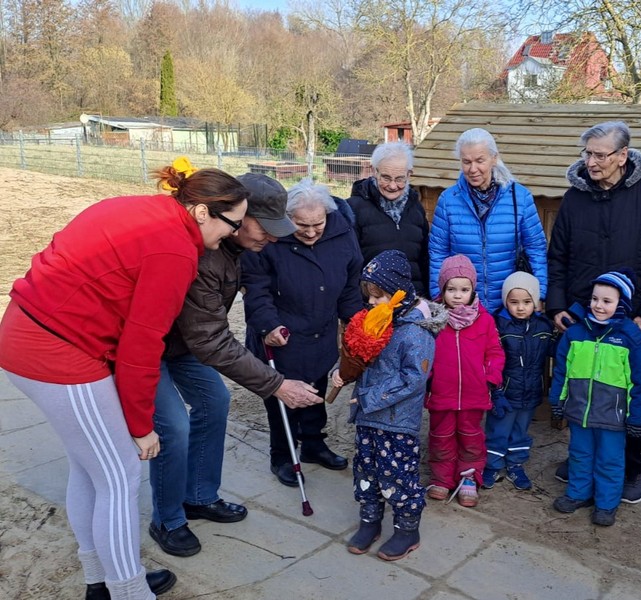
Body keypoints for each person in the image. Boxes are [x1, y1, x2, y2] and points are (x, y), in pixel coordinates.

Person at [0, 158, 249, 599]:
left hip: (27, 332)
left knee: (89, 467)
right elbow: (142, 344)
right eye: (232, 224)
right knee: (118, 477)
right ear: (202, 212)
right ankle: (130, 591)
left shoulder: (141, 208)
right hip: (59, 352)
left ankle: (103, 579)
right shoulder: (174, 249)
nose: (233, 234)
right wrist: (141, 426)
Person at [148, 173, 322, 558]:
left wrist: (271, 324)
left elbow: (247, 298)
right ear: (238, 216)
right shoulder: (203, 252)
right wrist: (277, 384)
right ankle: (167, 518)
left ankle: (199, 496)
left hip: (183, 342)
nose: (273, 238)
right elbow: (211, 339)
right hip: (148, 348)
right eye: (266, 227)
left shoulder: (236, 247)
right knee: (173, 424)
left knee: (215, 401)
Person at [546, 120, 641, 503]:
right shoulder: (574, 199)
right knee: (583, 390)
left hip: (632, 320)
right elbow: (557, 258)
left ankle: (630, 469)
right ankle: (583, 464)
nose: (591, 161)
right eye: (587, 153)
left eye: (600, 155)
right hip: (585, 318)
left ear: (623, 156)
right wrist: (556, 305)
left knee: (624, 394)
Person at [241, 177, 363, 486]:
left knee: (316, 391)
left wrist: (356, 323)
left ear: (327, 215)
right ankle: (282, 456)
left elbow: (350, 284)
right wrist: (268, 325)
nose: (310, 232)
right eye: (301, 225)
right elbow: (256, 288)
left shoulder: (342, 232)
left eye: (317, 224)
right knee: (284, 398)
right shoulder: (269, 239)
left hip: (321, 331)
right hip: (283, 333)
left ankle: (312, 444)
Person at [332, 249, 446, 561]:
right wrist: (340, 372)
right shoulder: (376, 320)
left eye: (377, 295)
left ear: (397, 293)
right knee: (367, 469)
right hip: (369, 418)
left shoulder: (415, 331)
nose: (370, 302)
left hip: (396, 421)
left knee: (398, 475)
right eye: (368, 294)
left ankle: (407, 529)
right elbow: (357, 352)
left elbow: (414, 379)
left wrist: (369, 397)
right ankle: (370, 521)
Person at [549, 271, 641, 527]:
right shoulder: (575, 334)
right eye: (595, 299)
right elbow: (562, 368)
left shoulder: (630, 339)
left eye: (607, 301)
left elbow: (640, 384)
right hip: (579, 410)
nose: (598, 305)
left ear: (622, 304)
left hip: (613, 415)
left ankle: (606, 503)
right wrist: (558, 400)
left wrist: (637, 417)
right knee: (580, 454)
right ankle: (578, 494)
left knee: (610, 459)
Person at [428, 127, 548, 313]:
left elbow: (536, 248)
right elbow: (438, 253)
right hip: (463, 306)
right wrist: (438, 296)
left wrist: (538, 294)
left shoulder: (520, 198)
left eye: (479, 161)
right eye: (466, 162)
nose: (472, 169)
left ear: (494, 158)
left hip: (510, 306)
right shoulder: (448, 200)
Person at [425, 254, 505, 507]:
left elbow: (495, 352)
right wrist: (427, 377)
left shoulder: (485, 321)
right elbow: (423, 351)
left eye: (464, 289)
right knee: (440, 436)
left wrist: (489, 376)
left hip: (474, 394)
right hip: (441, 394)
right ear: (442, 289)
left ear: (473, 290)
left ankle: (469, 477)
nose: (458, 295)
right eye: (451, 289)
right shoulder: (434, 320)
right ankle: (441, 477)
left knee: (471, 437)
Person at [483, 272, 555, 491]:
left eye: (527, 302)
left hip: (531, 390)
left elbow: (555, 351)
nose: (520, 307)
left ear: (536, 302)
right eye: (514, 302)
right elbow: (491, 359)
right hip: (505, 392)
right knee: (498, 430)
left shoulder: (543, 327)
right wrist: (495, 390)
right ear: (506, 301)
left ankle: (515, 464)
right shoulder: (498, 326)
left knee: (521, 430)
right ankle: (492, 465)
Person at [347, 141, 430, 296]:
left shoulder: (416, 208)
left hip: (413, 303)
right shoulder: (353, 209)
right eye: (386, 178)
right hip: (373, 303)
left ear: (409, 174)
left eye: (399, 179)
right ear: (374, 171)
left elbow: (424, 260)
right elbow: (349, 265)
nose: (392, 186)